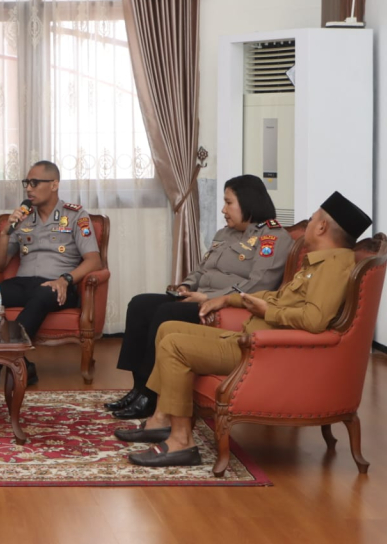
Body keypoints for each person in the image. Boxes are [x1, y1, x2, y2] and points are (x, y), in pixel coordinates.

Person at [117, 191, 371, 467]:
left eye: (312, 220)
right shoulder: (318, 262)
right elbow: (275, 297)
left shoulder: (332, 267)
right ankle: (162, 419)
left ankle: (181, 442)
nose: (307, 224)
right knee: (167, 329)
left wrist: (267, 311)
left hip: (263, 350)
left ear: (321, 227)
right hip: (252, 337)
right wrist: (229, 299)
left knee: (174, 344)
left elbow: (314, 320)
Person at [107, 175, 293, 419]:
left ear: (248, 202)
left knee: (166, 313)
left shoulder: (272, 237)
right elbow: (202, 269)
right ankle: (139, 387)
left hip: (226, 307)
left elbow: (257, 285)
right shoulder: (225, 233)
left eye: (229, 203)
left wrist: (207, 297)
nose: (223, 210)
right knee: (140, 304)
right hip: (200, 297)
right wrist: (186, 286)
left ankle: (151, 396)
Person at [0, 160, 103, 390]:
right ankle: (24, 364)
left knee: (42, 294)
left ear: (54, 185)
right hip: (23, 284)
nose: (28, 189)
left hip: (56, 287)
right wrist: (6, 232)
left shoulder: (75, 215)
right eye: (26, 183)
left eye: (34, 183)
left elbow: (94, 260)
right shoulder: (23, 218)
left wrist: (65, 280)